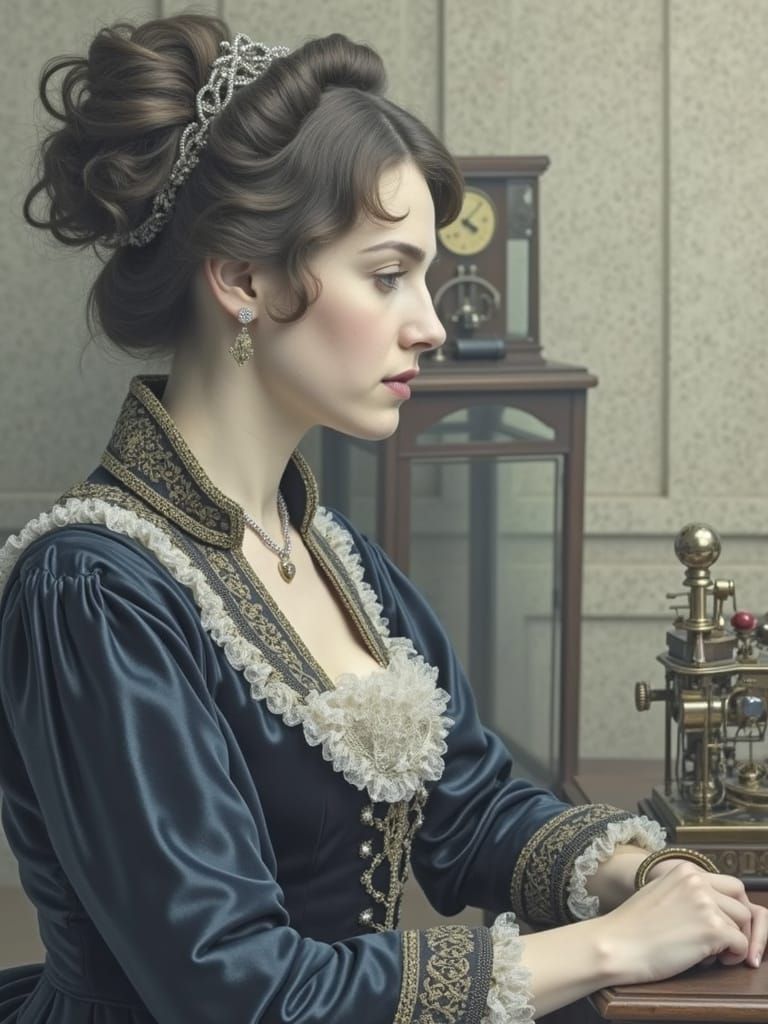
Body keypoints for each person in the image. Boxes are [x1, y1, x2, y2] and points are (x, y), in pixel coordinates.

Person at [0, 13, 765, 1023]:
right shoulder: (92, 589)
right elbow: (232, 986)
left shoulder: (332, 554)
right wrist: (614, 943)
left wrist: (646, 876)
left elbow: (473, 806)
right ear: (241, 277)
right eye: (388, 272)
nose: (433, 323)